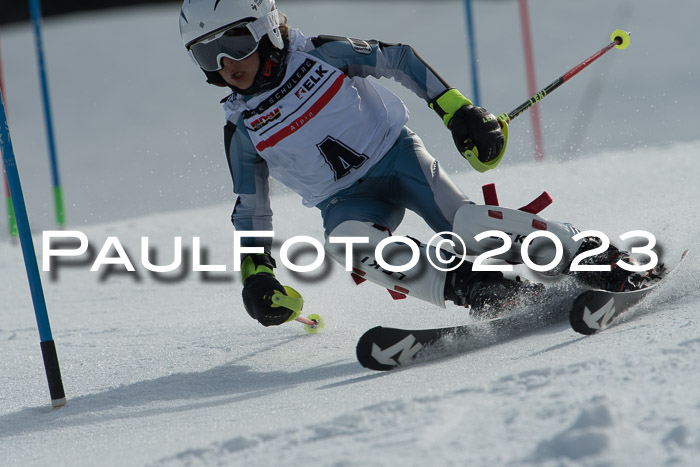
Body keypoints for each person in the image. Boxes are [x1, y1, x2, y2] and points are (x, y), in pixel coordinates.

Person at [178, 0, 654, 327]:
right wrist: (257, 274)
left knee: (468, 225)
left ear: (264, 27)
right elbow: (250, 209)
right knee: (348, 242)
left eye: (236, 43)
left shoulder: (319, 55)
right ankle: (478, 288)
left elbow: (398, 59)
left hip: (397, 158)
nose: (225, 63)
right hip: (345, 200)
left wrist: (457, 109)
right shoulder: (242, 126)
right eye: (206, 53)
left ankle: (588, 254)